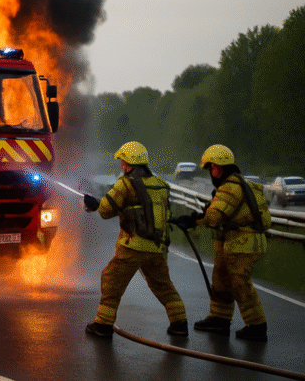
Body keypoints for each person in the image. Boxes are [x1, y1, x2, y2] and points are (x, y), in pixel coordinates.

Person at [83, 141, 188, 338]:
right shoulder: (162, 185)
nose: (121, 165)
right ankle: (180, 324)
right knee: (163, 285)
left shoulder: (125, 184)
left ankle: (103, 325)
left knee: (111, 280)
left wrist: (96, 204)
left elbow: (105, 211)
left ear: (127, 163)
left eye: (122, 162)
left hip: (132, 246)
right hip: (157, 247)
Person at [174, 144, 271, 341]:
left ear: (218, 167)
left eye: (211, 168)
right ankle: (219, 319)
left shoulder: (230, 187)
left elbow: (214, 217)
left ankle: (257, 326)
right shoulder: (241, 184)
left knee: (239, 282)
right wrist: (196, 218)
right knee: (221, 279)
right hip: (237, 242)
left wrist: (192, 221)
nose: (211, 172)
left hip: (243, 243)